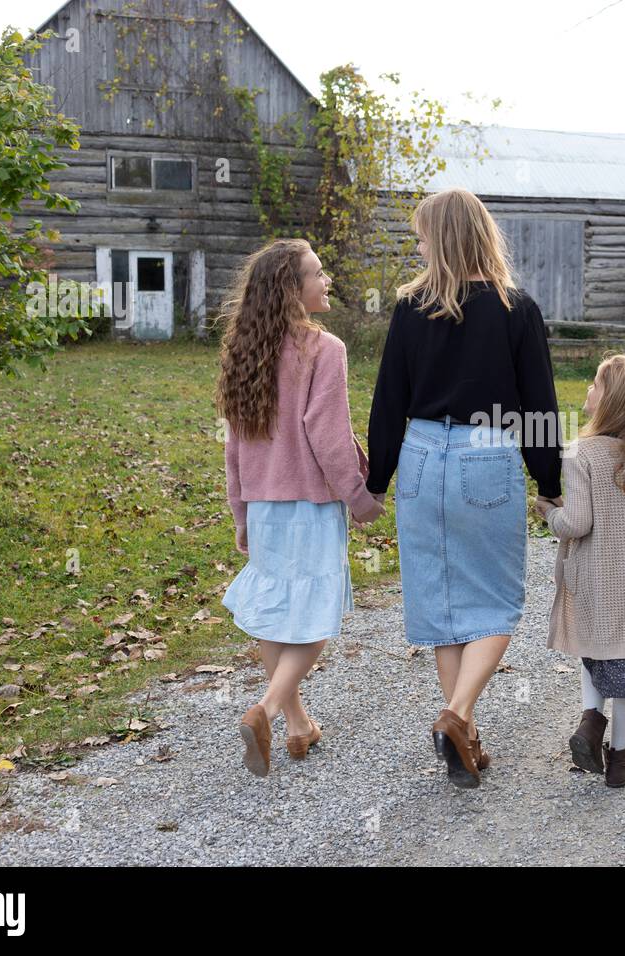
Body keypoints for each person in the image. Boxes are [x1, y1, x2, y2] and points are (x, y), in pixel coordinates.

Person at [366, 188, 563, 789]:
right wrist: (549, 481)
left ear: (444, 238)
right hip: (486, 454)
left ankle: (465, 734)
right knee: (497, 602)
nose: (418, 244)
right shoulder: (516, 309)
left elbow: (388, 404)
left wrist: (376, 481)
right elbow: (539, 408)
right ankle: (456, 715)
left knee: (442, 604)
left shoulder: (409, 309)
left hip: (423, 456)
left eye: (423, 234)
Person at [216, 238, 385, 777]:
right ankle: (264, 709)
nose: (326, 279)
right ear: (292, 290)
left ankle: (296, 724)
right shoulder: (323, 348)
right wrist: (360, 499)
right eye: (317, 273)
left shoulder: (245, 350)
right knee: (314, 614)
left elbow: (235, 445)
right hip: (310, 504)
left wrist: (241, 513)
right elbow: (328, 435)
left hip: (265, 505)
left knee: (276, 610)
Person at [536, 353, 625, 788]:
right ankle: (619, 759)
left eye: (595, 384)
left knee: (595, 647)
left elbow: (578, 522)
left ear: (612, 400)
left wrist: (549, 514)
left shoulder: (582, 453)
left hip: (600, 577)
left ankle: (589, 721)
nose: (588, 390)